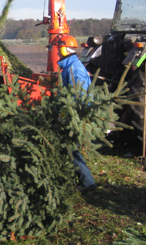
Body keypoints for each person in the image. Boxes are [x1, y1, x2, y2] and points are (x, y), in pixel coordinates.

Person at [55, 34, 97, 192]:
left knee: (71, 147)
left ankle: (87, 182)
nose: (58, 53)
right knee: (70, 146)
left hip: (76, 114)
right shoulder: (69, 66)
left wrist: (66, 115)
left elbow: (77, 95)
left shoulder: (75, 69)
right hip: (72, 112)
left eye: (59, 50)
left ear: (66, 50)